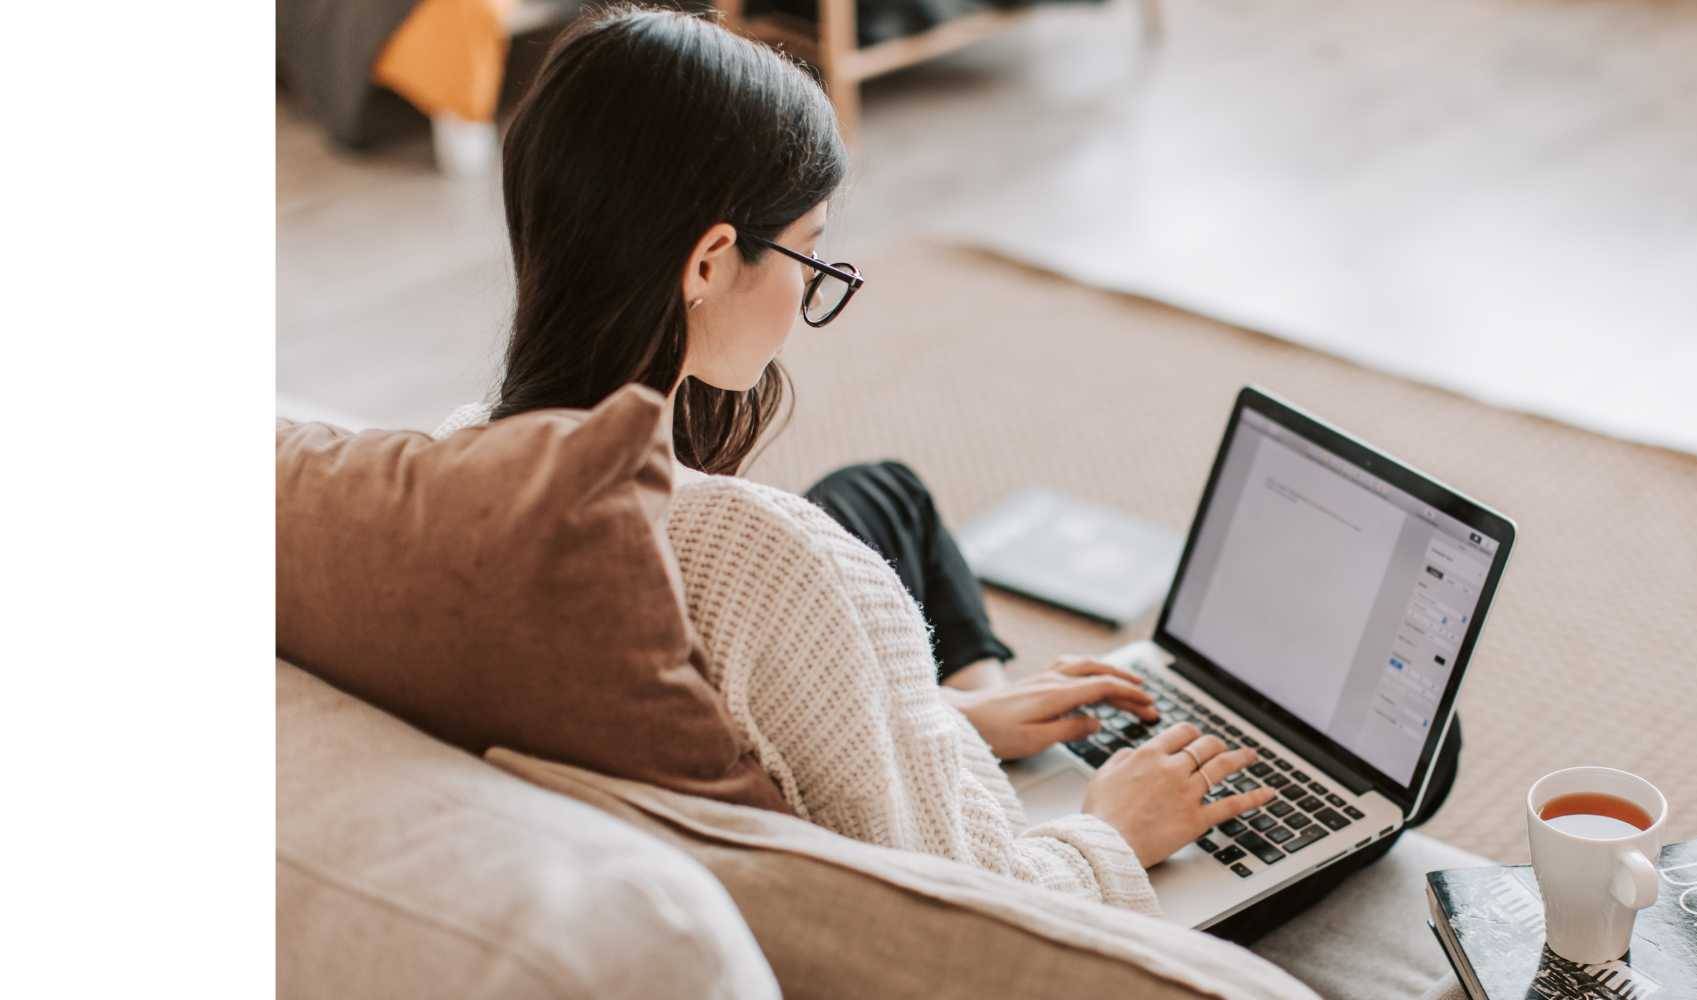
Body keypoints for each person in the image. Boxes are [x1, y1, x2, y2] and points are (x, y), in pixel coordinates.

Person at [437, 5, 1453, 918]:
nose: (810, 297)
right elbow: (973, 907)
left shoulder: (452, 454)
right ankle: (1025, 719)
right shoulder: (775, 562)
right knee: (1422, 760)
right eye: (810, 254)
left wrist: (955, 713)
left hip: (866, 693)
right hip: (974, 846)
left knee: (883, 495)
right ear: (707, 263)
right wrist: (1112, 824)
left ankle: (993, 683)